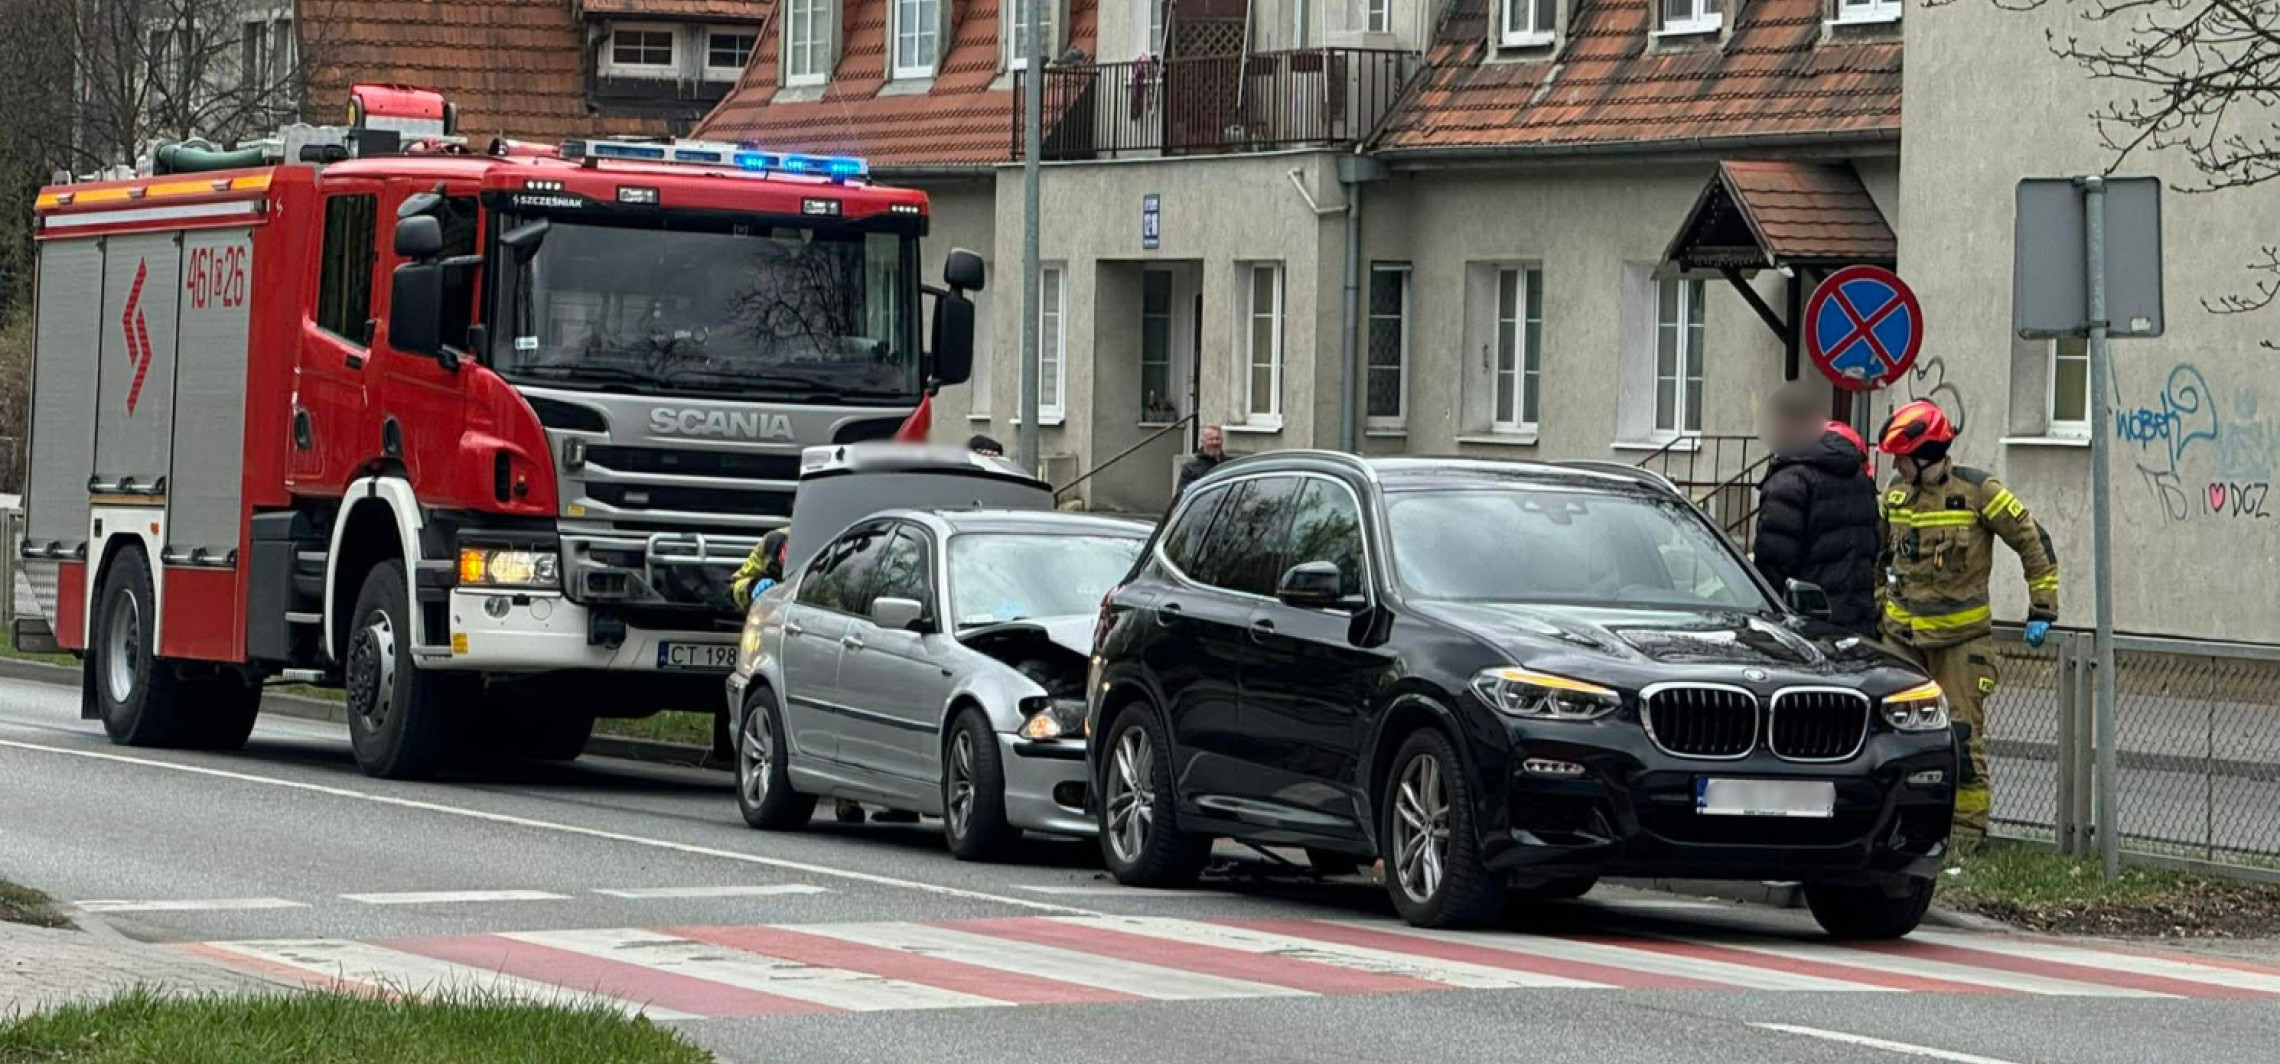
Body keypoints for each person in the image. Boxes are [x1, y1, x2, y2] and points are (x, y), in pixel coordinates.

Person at [1876, 399, 2060, 843]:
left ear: (1925, 455)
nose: (1897, 466)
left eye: (1902, 458)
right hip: (1902, 638)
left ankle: (1964, 837)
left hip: (1961, 643)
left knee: (1959, 742)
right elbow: (1878, 555)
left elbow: (2033, 541)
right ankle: (1899, 829)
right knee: (1892, 739)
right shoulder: (1895, 496)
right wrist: (1878, 606)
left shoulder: (1981, 492)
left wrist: (2043, 607)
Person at [1751, 384, 1881, 637]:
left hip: (1805, 626)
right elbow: (1872, 546)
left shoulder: (1789, 481)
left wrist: (1764, 616)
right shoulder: (1859, 477)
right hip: (1858, 622)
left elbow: (1773, 562)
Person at [1177, 425, 1226, 494]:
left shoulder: (1228, 463)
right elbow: (1182, 493)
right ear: (1203, 442)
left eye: (1217, 439)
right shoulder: (1191, 467)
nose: (1215, 442)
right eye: (1211, 439)